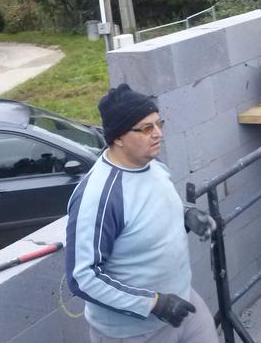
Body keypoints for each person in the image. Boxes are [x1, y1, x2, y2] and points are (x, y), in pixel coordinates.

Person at [65, 83, 218, 343]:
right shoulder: (99, 197)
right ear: (118, 137)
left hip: (183, 305)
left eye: (159, 124)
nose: (158, 134)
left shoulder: (153, 166)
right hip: (134, 332)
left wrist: (185, 215)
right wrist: (154, 303)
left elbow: (145, 215)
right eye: (147, 128)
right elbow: (83, 278)